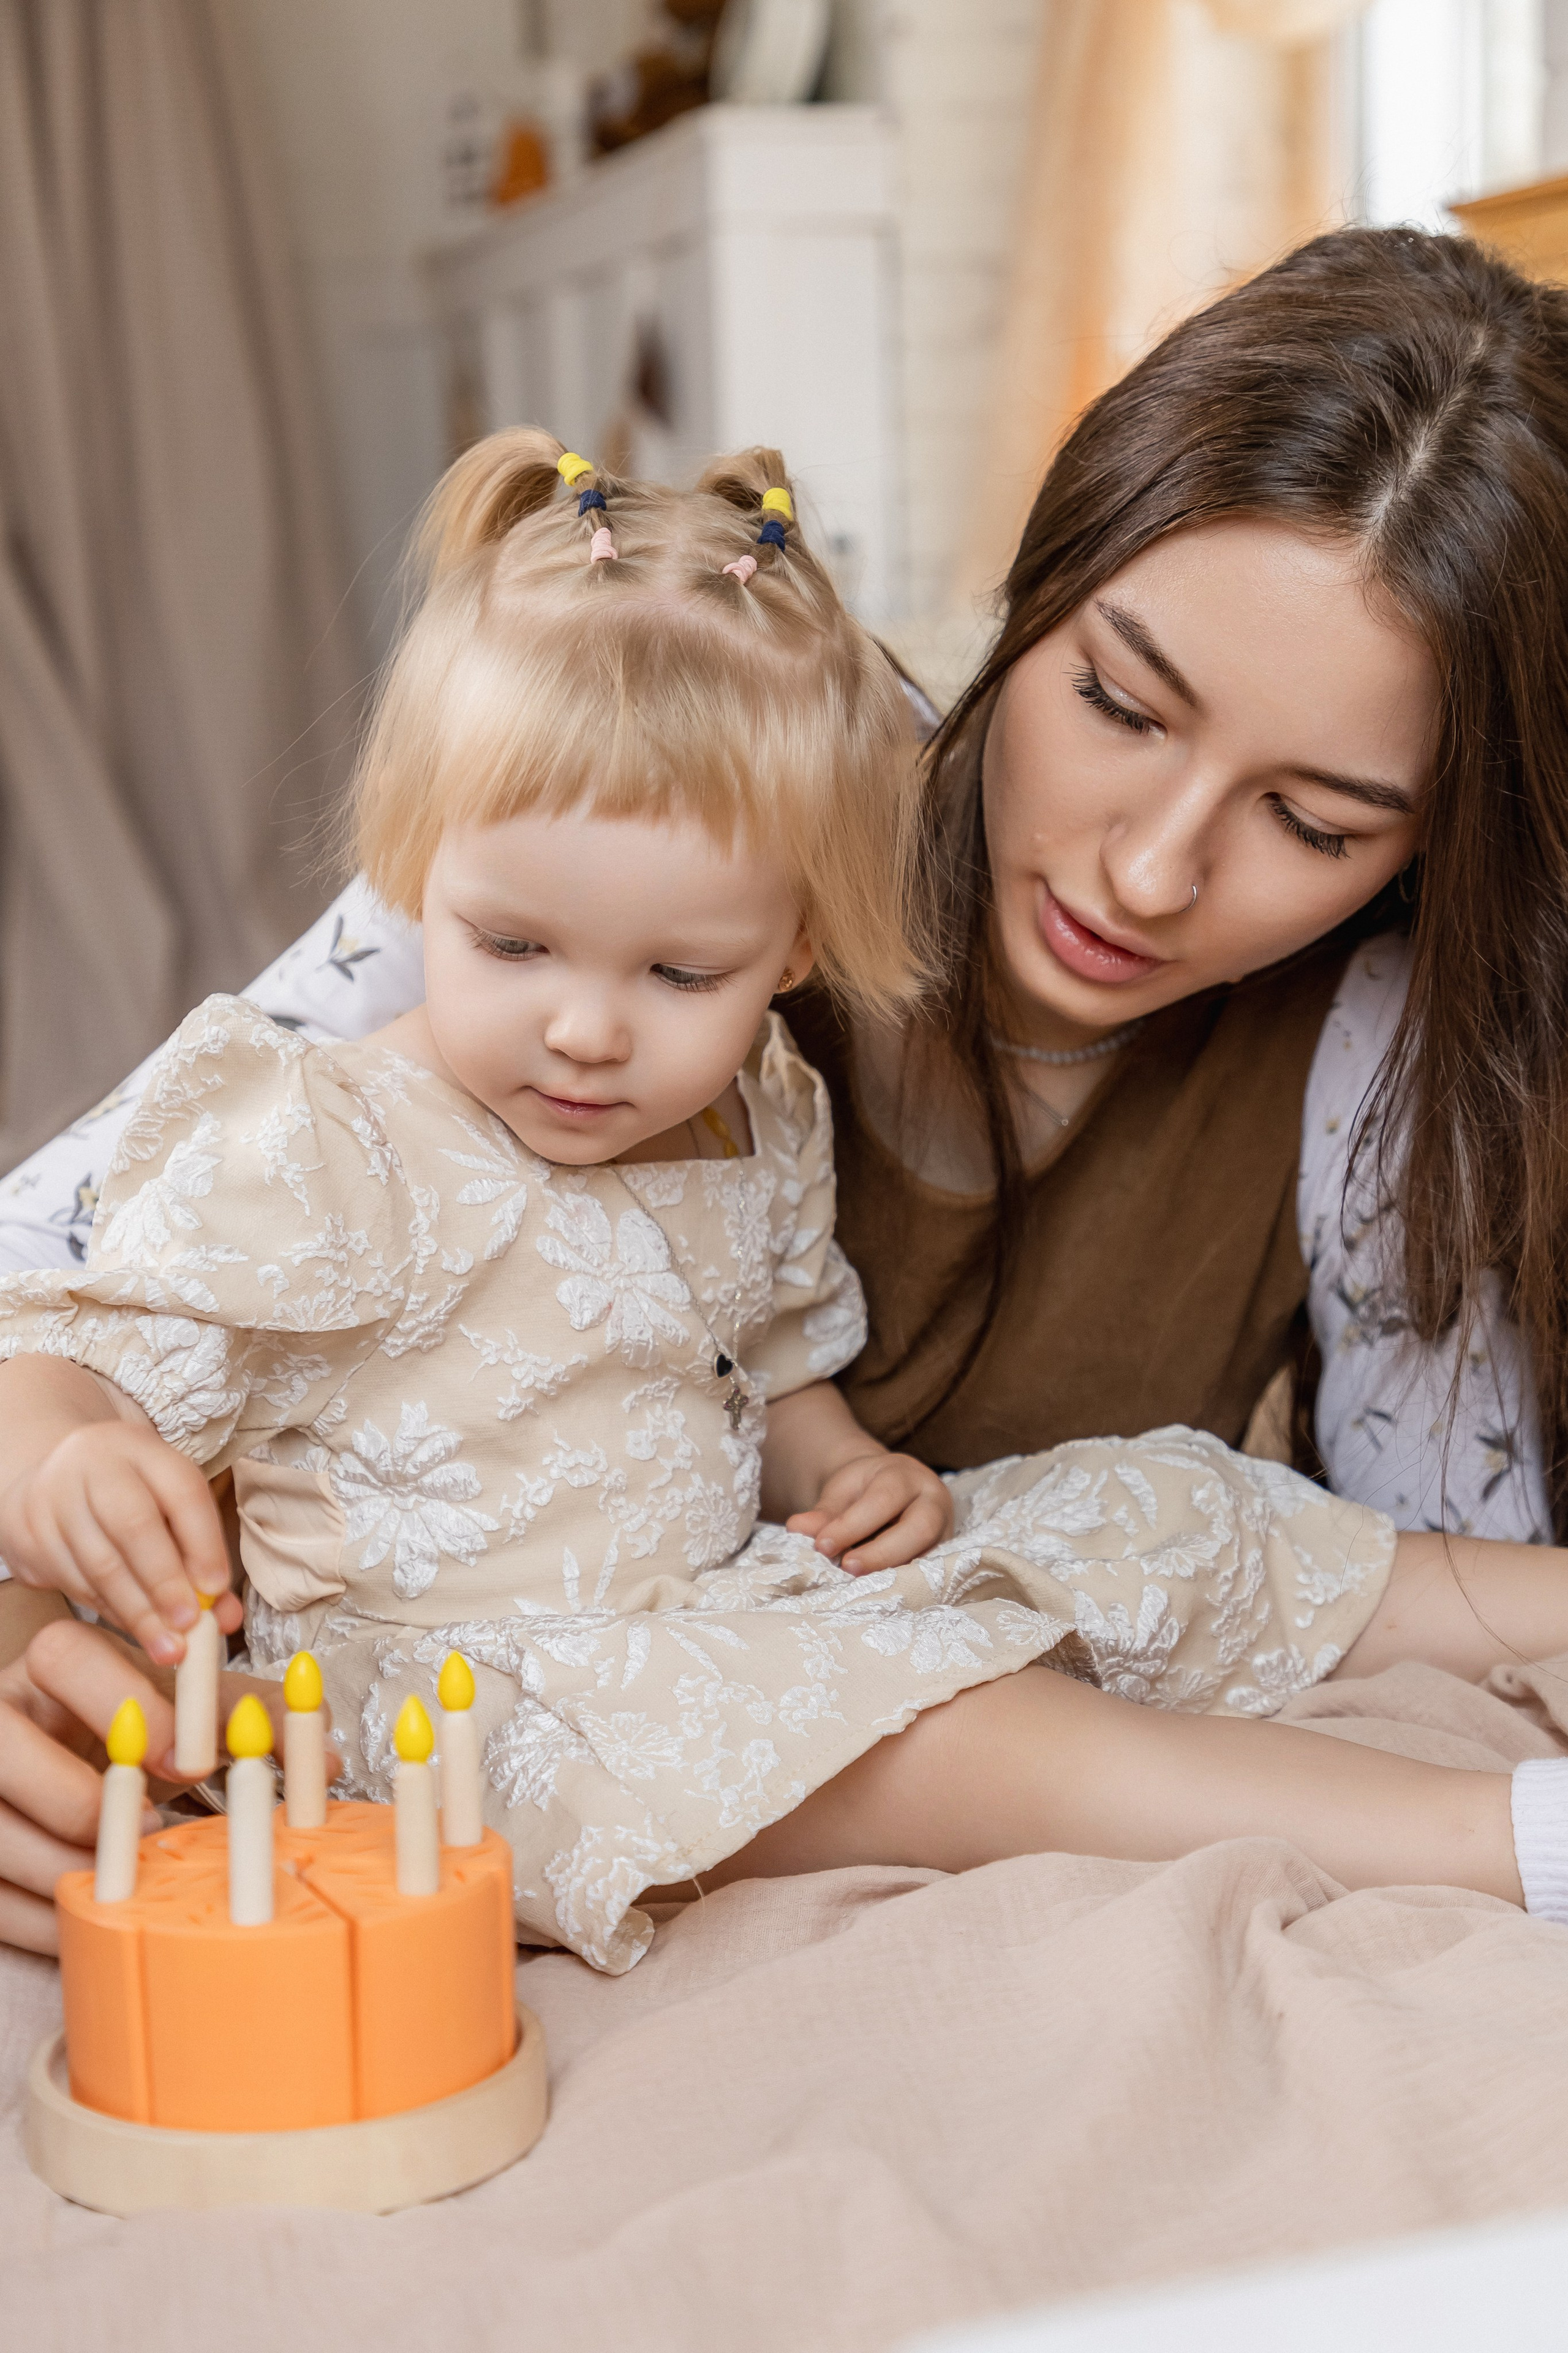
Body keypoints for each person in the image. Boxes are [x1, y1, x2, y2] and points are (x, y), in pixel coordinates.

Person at [3, 425, 1568, 1975]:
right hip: (462, 1701)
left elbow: (761, 1355)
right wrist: (67, 1456)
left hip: (712, 1587)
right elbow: (60, 1339)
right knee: (934, 1733)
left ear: (795, 955)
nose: (586, 1030)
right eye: (513, 945)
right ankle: (1494, 1837)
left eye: (682, 973)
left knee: (1171, 1505)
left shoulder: (755, 1103)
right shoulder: (318, 1132)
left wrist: (841, 1467)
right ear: (417, 877)